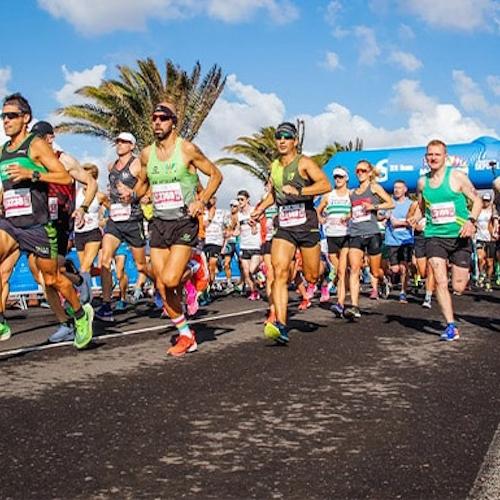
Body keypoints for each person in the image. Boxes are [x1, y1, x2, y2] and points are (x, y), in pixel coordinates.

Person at [0, 93, 93, 347]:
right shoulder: (4, 150)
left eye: (11, 116)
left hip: (37, 226)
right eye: (3, 116)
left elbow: (64, 177)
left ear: (25, 118)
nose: (6, 120)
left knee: (51, 280)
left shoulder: (36, 145)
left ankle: (80, 314)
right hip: (11, 223)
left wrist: (32, 174)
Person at [133, 101, 222, 356]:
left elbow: (216, 175)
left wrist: (201, 200)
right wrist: (139, 194)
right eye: (154, 118)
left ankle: (196, 265)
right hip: (159, 222)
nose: (157, 122)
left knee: (172, 279)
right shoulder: (147, 154)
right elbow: (142, 185)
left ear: (173, 122)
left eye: (163, 118)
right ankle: (185, 335)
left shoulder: (186, 149)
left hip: (184, 221)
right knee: (162, 285)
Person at [251, 121, 331, 344]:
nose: (282, 140)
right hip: (285, 225)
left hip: (306, 224)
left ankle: (323, 272)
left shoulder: (304, 163)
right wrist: (260, 208)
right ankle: (281, 324)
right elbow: (275, 195)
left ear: (295, 141)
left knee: (311, 275)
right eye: (279, 137)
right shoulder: (275, 166)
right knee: (279, 272)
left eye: (287, 137)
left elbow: (325, 185)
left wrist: (300, 190)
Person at [28, 121, 98, 342]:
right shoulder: (31, 163)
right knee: (43, 277)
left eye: (40, 138)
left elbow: (91, 183)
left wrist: (83, 208)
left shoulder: (63, 159)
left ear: (50, 138)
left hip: (59, 223)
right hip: (37, 224)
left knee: (52, 273)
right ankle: (65, 323)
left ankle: (76, 282)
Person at [410, 139, 481, 341]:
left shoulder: (457, 177)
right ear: (426, 157)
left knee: (458, 286)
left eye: (437, 154)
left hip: (459, 236)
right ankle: (450, 326)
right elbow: (423, 206)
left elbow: (476, 200)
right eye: (430, 154)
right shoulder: (422, 182)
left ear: (445, 157)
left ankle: (459, 273)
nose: (433, 158)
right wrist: (417, 217)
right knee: (440, 281)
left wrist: (471, 221)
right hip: (434, 235)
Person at [95, 132, 150, 322]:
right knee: (104, 259)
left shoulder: (137, 164)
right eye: (117, 141)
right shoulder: (111, 166)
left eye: (124, 142)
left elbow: (147, 185)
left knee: (141, 265)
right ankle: (106, 305)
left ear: (132, 146)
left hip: (133, 220)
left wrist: (135, 195)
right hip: (114, 220)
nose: (119, 144)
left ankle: (163, 288)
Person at [343, 160, 394, 319]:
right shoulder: (352, 193)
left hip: (372, 233)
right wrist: (347, 216)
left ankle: (383, 279)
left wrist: (374, 207)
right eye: (358, 171)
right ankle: (354, 306)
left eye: (363, 170)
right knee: (354, 269)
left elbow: (390, 203)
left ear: (370, 172)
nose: (360, 173)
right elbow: (354, 211)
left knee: (374, 271)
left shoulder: (374, 188)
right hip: (355, 234)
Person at [316, 167, 351, 316]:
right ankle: (347, 286)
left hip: (346, 235)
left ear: (346, 179)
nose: (338, 179)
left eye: (340, 177)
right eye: (336, 177)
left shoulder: (351, 194)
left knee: (341, 271)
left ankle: (340, 304)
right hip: (331, 235)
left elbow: (356, 210)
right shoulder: (328, 196)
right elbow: (318, 209)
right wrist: (320, 218)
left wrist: (348, 216)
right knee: (339, 269)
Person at [73, 163, 107, 309]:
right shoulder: (76, 194)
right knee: (85, 269)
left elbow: (113, 210)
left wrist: (104, 221)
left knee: (85, 267)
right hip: (79, 233)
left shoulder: (100, 196)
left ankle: (85, 300)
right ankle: (105, 275)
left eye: (88, 176)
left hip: (93, 233)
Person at [384, 180, 414, 303]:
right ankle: (386, 280)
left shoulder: (411, 204)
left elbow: (414, 221)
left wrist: (399, 223)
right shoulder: (389, 203)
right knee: (395, 269)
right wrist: (384, 216)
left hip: (406, 240)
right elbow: (380, 216)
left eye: (399, 188)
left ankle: (403, 292)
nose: (396, 190)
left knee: (404, 268)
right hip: (392, 240)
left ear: (405, 189)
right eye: (395, 188)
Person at [236, 190, 262, 300]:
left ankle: (262, 271)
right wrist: (231, 233)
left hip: (255, 244)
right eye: (238, 199)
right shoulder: (238, 215)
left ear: (247, 200)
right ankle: (254, 291)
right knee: (246, 273)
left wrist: (254, 226)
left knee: (252, 270)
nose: (240, 201)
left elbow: (258, 227)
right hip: (244, 245)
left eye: (242, 199)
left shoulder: (253, 211)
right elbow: (238, 229)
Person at [475, 192, 496, 292]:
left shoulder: (492, 210)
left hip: (490, 238)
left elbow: (495, 222)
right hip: (479, 237)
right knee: (480, 259)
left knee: (489, 263)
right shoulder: (478, 210)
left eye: (487, 201)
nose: (485, 203)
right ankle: (482, 274)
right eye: (484, 200)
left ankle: (488, 280)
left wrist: (494, 233)